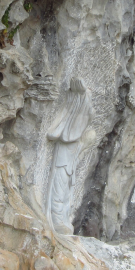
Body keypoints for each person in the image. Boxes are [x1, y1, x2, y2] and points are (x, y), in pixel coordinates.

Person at [46, 78, 95, 234]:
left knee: (66, 189)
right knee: (59, 187)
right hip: (63, 161)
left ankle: (62, 217)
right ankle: (57, 218)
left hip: (70, 163)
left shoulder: (76, 138)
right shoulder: (68, 134)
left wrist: (85, 144)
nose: (91, 111)